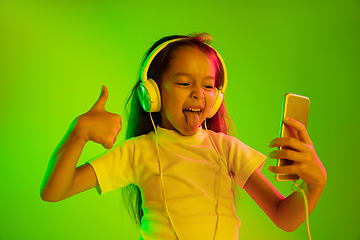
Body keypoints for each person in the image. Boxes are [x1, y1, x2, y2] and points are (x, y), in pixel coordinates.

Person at [40, 33, 327, 240]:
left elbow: (283, 217)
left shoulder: (227, 150)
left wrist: (315, 184)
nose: (197, 94)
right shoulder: (137, 152)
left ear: (216, 99)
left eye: (208, 86)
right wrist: (78, 134)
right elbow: (54, 191)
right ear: (152, 94)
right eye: (183, 82)